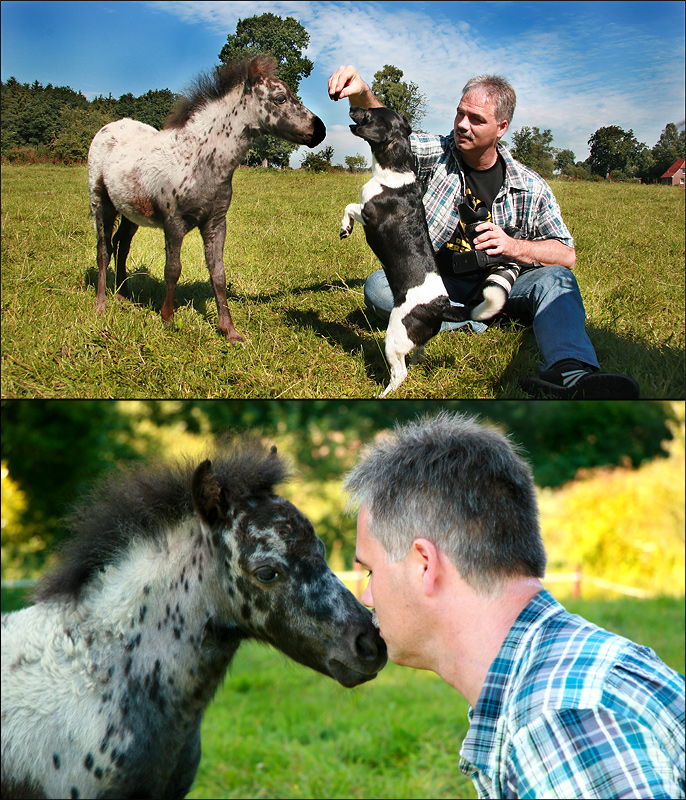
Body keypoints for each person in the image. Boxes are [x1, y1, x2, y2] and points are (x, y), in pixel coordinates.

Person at [345, 412, 685, 799]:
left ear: (425, 564)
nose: (367, 597)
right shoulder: (569, 669)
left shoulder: (556, 720)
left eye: (371, 571)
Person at [328, 66, 640, 399]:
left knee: (557, 281)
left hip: (503, 282)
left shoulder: (530, 186)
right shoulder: (435, 153)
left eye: (476, 119)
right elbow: (386, 127)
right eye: (460, 114)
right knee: (378, 286)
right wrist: (361, 91)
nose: (462, 124)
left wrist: (513, 245)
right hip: (439, 285)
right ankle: (482, 318)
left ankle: (571, 371)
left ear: (502, 127)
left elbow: (566, 254)